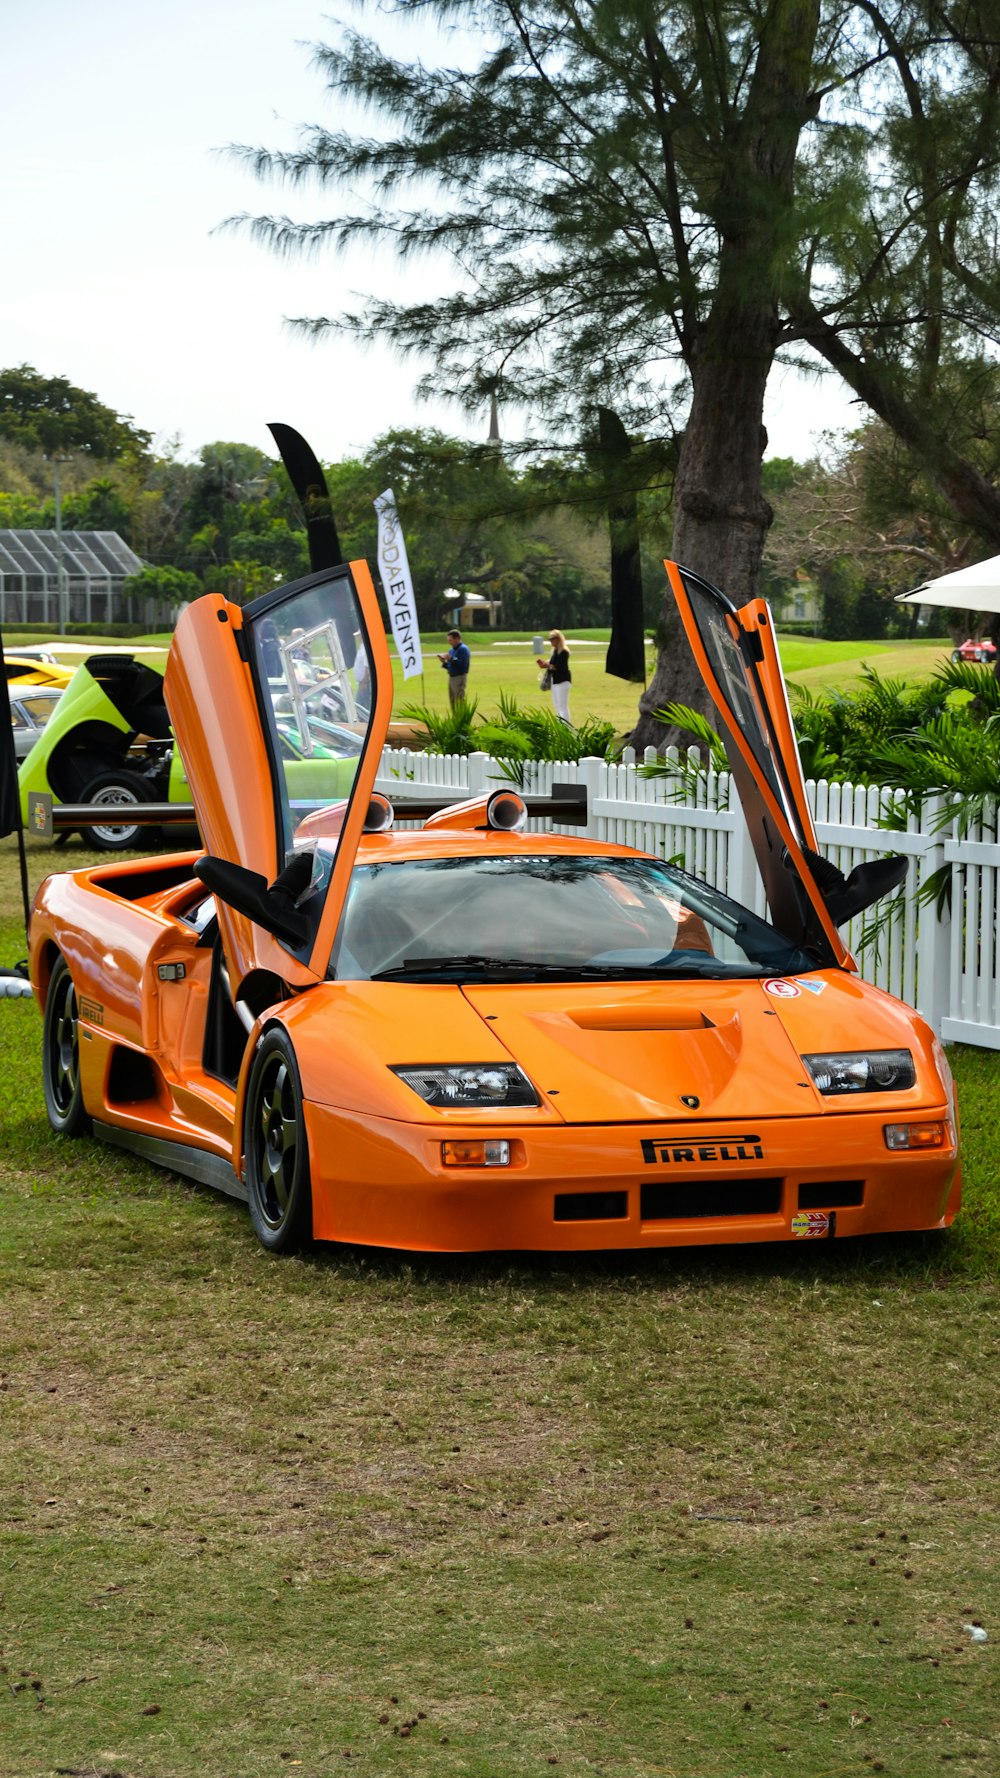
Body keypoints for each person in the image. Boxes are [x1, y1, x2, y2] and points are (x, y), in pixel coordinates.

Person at [537, 628, 572, 724]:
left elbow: (559, 667)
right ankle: (561, 726)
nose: (551, 641)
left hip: (562, 681)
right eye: (550, 639)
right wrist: (545, 664)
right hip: (555, 681)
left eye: (553, 639)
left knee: (563, 706)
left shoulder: (564, 652)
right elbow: (552, 664)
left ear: (558, 639)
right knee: (557, 706)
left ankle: (566, 727)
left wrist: (547, 665)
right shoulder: (555, 652)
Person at [438, 629, 471, 705]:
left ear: (457, 638)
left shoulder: (463, 649)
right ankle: (455, 716)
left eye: (451, 640)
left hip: (459, 677)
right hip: (451, 677)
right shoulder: (451, 650)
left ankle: (462, 716)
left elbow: (463, 665)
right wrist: (444, 662)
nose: (449, 642)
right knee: (452, 701)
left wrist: (451, 658)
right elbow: (451, 666)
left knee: (459, 701)